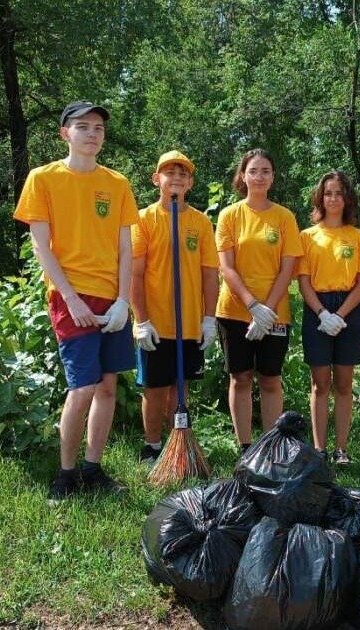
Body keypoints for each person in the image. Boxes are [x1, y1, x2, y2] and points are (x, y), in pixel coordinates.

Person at [13, 100, 138, 502]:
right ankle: (65, 475)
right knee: (81, 387)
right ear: (65, 133)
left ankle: (92, 468)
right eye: (83, 126)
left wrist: (123, 302)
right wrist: (70, 297)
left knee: (107, 386)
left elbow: (125, 249)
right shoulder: (43, 178)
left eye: (98, 128)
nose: (92, 133)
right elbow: (40, 245)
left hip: (111, 297)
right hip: (71, 295)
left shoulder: (117, 184)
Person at [130, 151, 219, 464]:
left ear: (190, 183)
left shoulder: (200, 222)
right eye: (170, 173)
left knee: (179, 388)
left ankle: (177, 447)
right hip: (156, 321)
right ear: (157, 180)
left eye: (183, 174)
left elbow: (210, 274)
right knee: (154, 388)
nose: (176, 178)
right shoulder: (143, 219)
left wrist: (209, 320)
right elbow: (135, 273)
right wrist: (141, 320)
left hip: (190, 323)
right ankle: (152, 446)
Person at [215, 148, 303, 452]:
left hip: (275, 312)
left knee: (270, 378)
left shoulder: (284, 217)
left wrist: (267, 310)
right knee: (240, 377)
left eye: (266, 171)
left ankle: (271, 445)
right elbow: (226, 267)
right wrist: (252, 305)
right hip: (235, 310)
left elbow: (287, 267)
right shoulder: (230, 215)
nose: (259, 176)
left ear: (273, 177)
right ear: (243, 176)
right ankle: (244, 446)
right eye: (254, 171)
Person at [298, 171, 360, 464]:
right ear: (320, 197)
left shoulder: (358, 237)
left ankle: (341, 449)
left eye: (339, 193)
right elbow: (302, 280)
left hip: (350, 309)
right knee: (319, 383)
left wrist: (339, 315)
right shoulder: (307, 236)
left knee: (343, 382)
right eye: (328, 193)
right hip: (317, 307)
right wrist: (322, 313)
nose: (333, 199)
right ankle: (319, 449)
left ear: (347, 198)